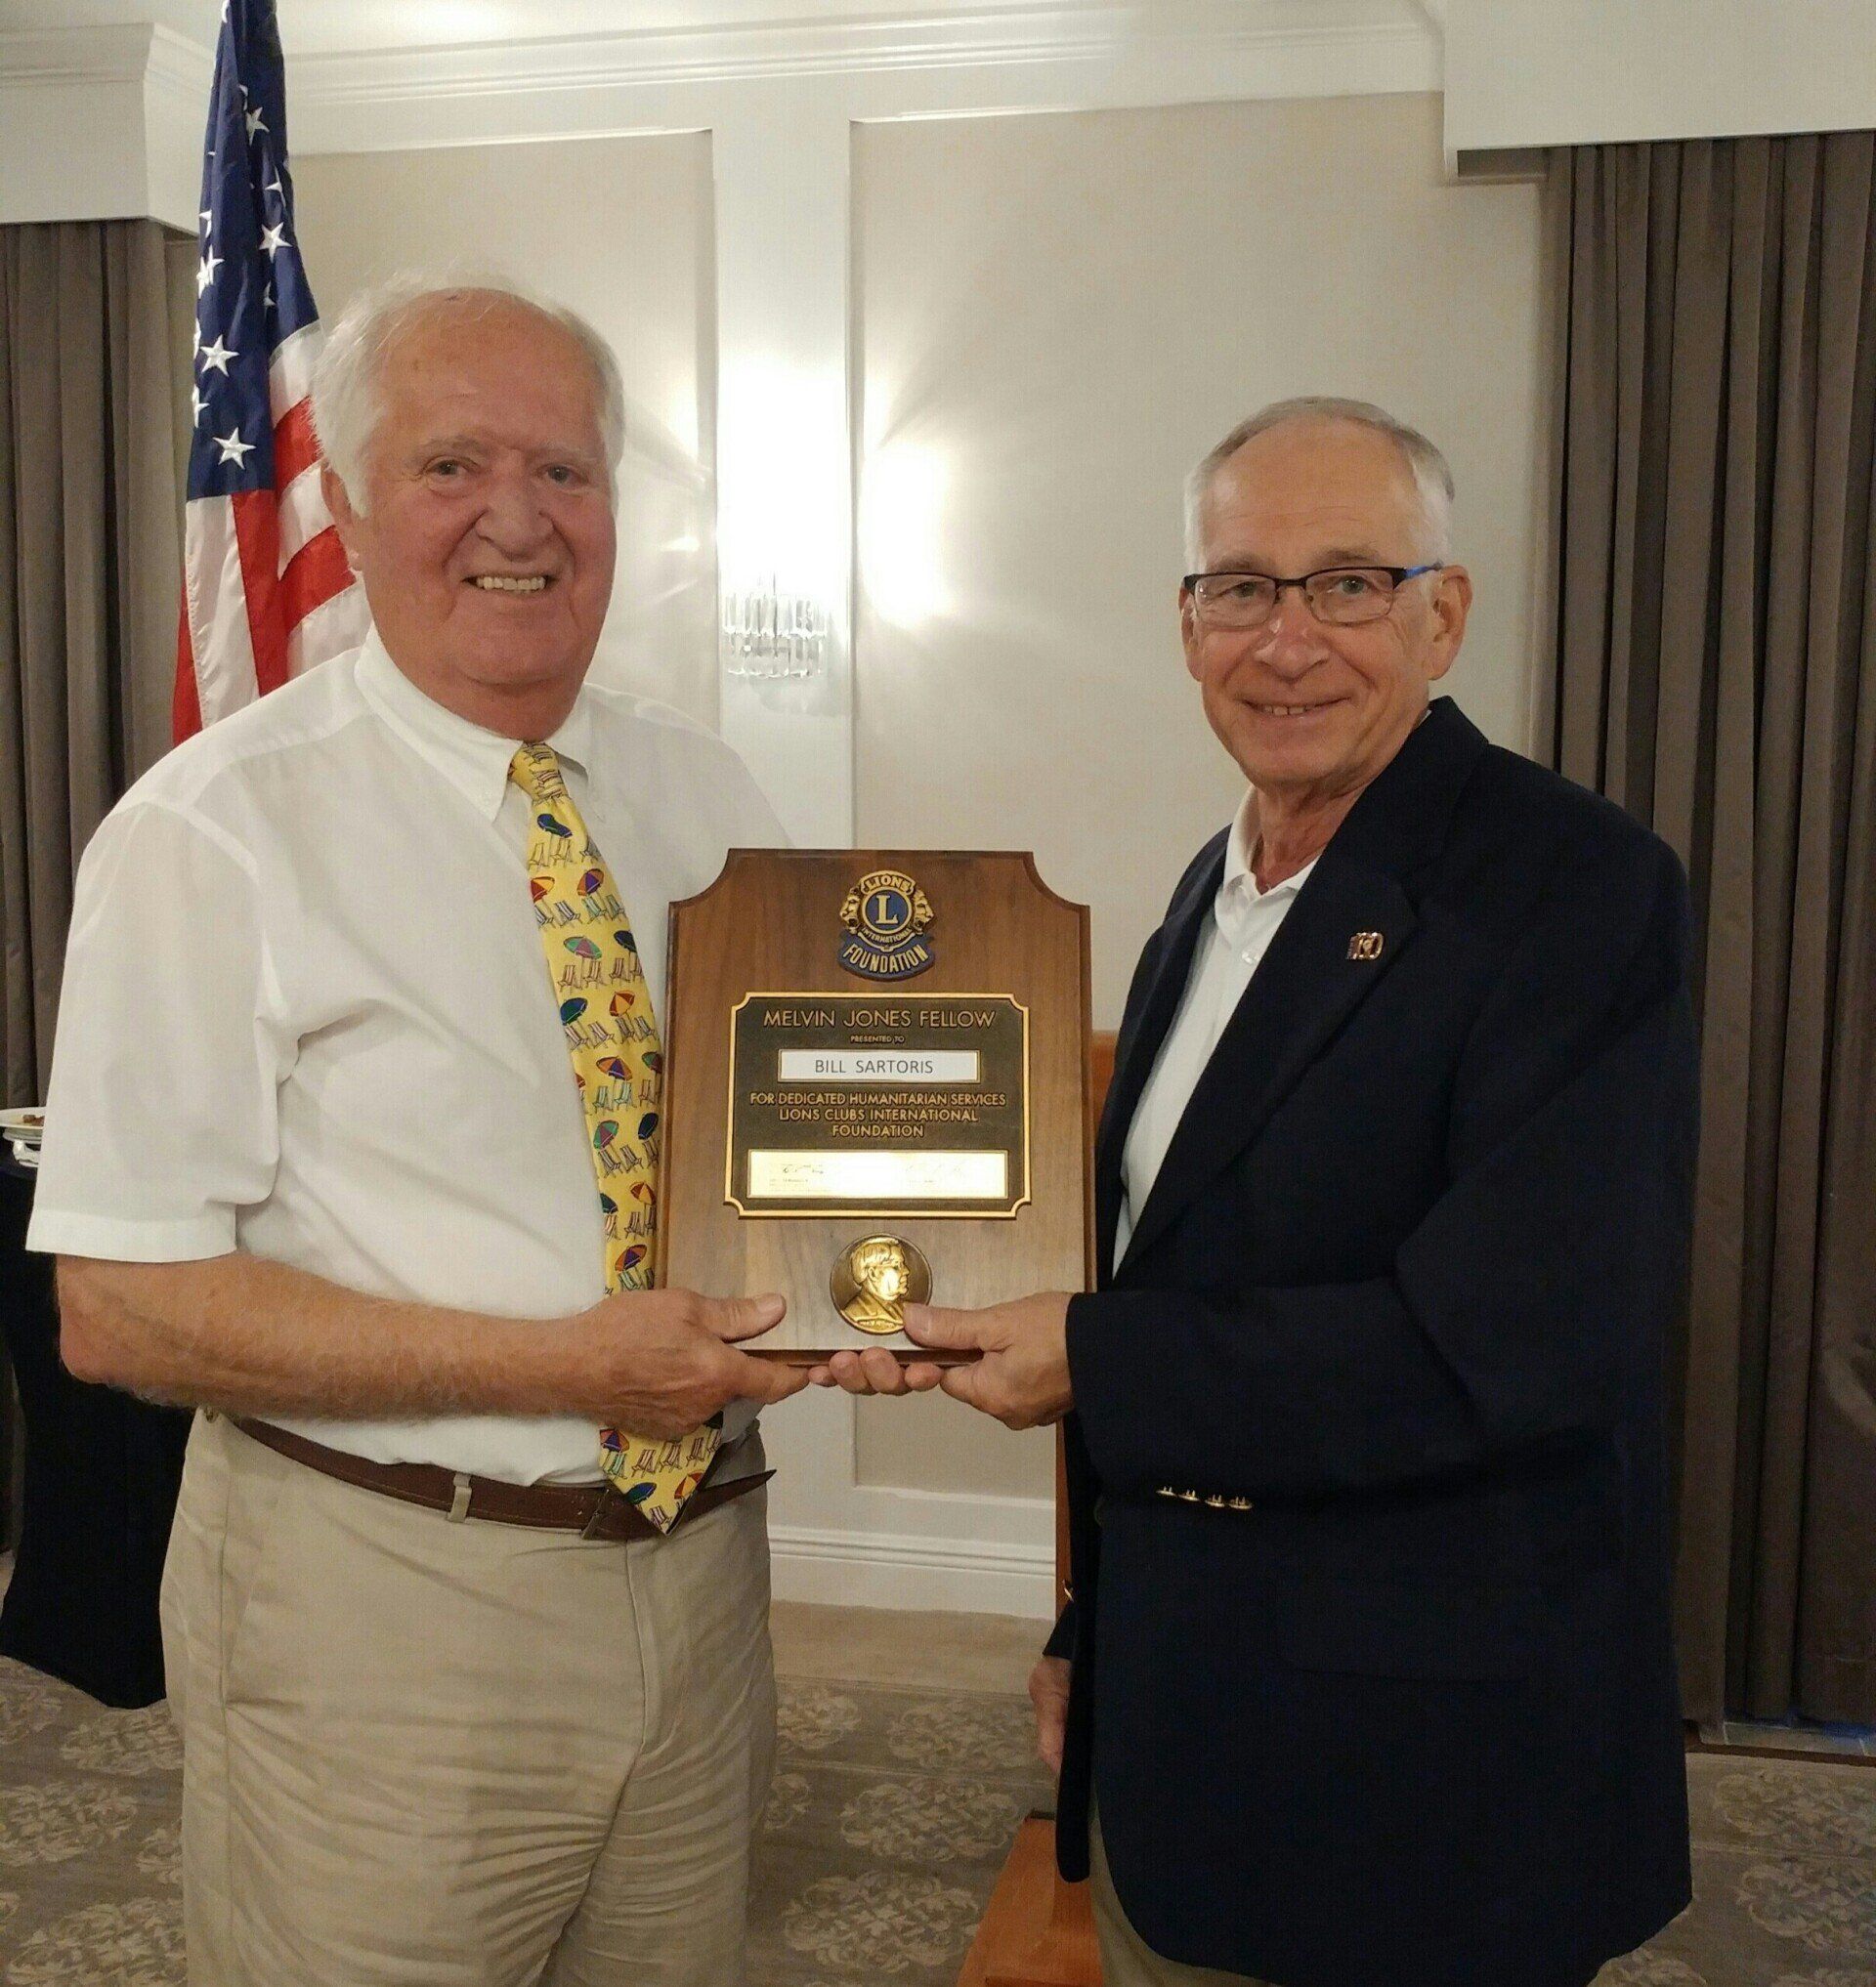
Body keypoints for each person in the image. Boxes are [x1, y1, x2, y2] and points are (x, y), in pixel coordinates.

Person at [817, 399, 1697, 1987]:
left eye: (1348, 582)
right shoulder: (1198, 903)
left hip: (1427, 1789)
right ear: (1185, 623)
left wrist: (1088, 1355)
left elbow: (1505, 1352)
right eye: (1242, 586)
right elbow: (1166, 1273)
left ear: (1446, 610)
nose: (1289, 639)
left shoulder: (1573, 889)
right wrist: (1098, 1630)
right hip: (1189, 1734)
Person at [28, 276, 807, 1987]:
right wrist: (570, 1366)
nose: (517, 519)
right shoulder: (213, 835)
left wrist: (880, 1294)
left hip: (702, 1584)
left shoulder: (715, 804)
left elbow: (800, 1165)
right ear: (352, 512)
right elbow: (122, 1303)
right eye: (452, 464)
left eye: (567, 470)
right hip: (381, 1597)